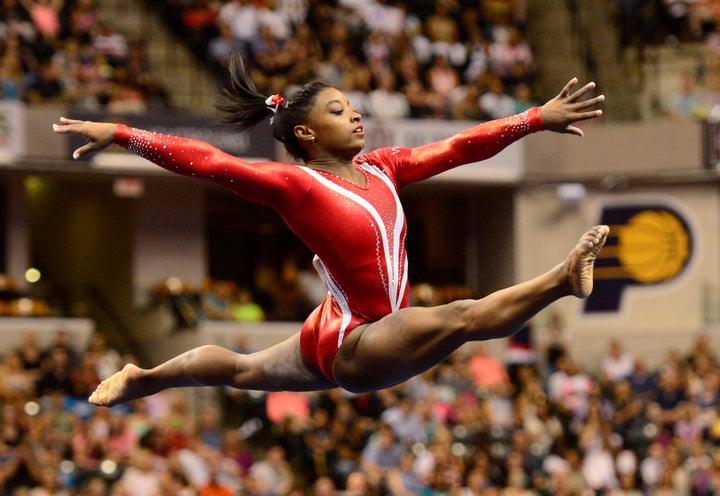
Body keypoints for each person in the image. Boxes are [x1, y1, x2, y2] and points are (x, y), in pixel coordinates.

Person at [52, 52, 607, 406]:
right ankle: (562, 279)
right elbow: (209, 161)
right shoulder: (298, 186)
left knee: (243, 369)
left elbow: (460, 146)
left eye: (353, 108)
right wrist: (124, 132)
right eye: (339, 112)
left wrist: (533, 118)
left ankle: (144, 377)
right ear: (306, 133)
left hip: (341, 327)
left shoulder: (384, 168)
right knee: (460, 318)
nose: (355, 116)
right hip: (358, 340)